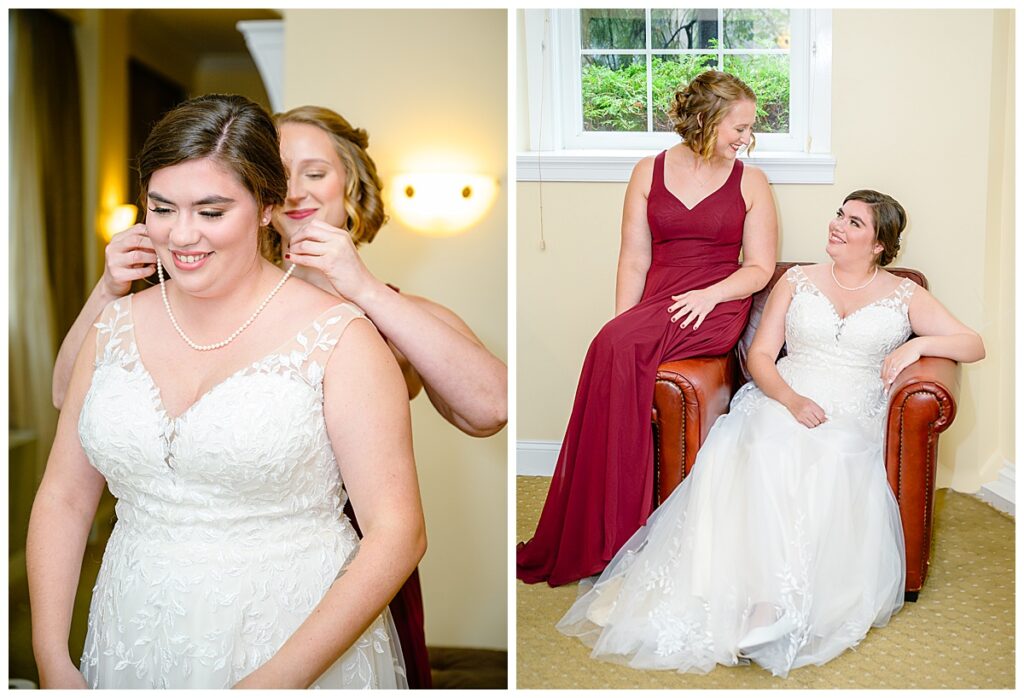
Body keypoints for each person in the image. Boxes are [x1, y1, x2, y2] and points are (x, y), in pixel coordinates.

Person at [49, 104, 508, 689]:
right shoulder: (172, 302)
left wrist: (360, 287)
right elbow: (74, 400)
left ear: (352, 187)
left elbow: (489, 407)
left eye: (314, 172)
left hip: (334, 572)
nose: (294, 189)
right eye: (281, 171)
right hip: (157, 592)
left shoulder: (369, 317)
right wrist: (110, 288)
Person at [556, 190, 985, 677]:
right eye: (839, 215)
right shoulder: (796, 281)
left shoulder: (904, 294)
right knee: (762, 444)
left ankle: (780, 603)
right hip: (787, 393)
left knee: (830, 455)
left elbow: (973, 343)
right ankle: (751, 599)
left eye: (854, 223)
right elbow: (760, 356)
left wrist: (920, 345)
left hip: (853, 410)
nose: (837, 226)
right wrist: (790, 400)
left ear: (880, 245)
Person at [517, 70, 778, 586]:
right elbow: (633, 259)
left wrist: (711, 294)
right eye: (739, 127)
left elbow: (760, 268)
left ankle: (618, 530)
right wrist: (624, 325)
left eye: (749, 130)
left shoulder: (751, 181)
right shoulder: (647, 171)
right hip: (660, 300)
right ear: (705, 121)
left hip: (714, 304)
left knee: (617, 348)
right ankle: (607, 527)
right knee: (610, 345)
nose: (747, 139)